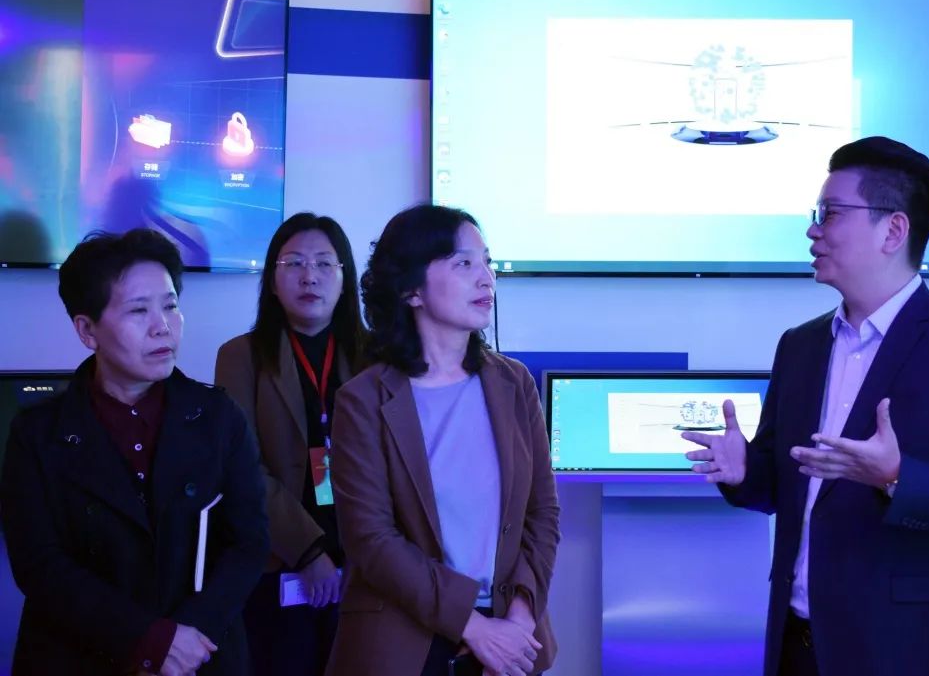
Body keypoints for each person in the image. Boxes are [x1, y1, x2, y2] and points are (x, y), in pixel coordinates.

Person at [684, 136, 929, 676]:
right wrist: (744, 471)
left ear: (893, 231)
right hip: (798, 645)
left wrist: (897, 477)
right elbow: (787, 487)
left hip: (908, 653)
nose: (813, 231)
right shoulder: (800, 346)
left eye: (830, 214)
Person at [0, 228, 269, 676]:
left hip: (200, 654)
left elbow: (249, 543)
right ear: (87, 330)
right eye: (139, 310)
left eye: (171, 305)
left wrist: (184, 641)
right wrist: (148, 641)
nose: (163, 325)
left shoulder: (219, 417)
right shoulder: (37, 433)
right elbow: (39, 564)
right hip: (78, 657)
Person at [325, 205, 559, 676]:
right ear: (411, 290)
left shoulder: (514, 383)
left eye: (487, 261)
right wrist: (474, 628)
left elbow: (542, 513)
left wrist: (519, 618)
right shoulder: (362, 400)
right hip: (401, 645)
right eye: (463, 263)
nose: (486, 278)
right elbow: (372, 540)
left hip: (508, 639)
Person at [214, 213, 368, 676]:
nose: (309, 276)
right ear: (272, 280)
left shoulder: (377, 356)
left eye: (324, 263)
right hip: (277, 560)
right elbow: (241, 467)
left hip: (366, 563)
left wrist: (366, 554)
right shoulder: (239, 356)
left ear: (345, 277)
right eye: (294, 263)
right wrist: (308, 551)